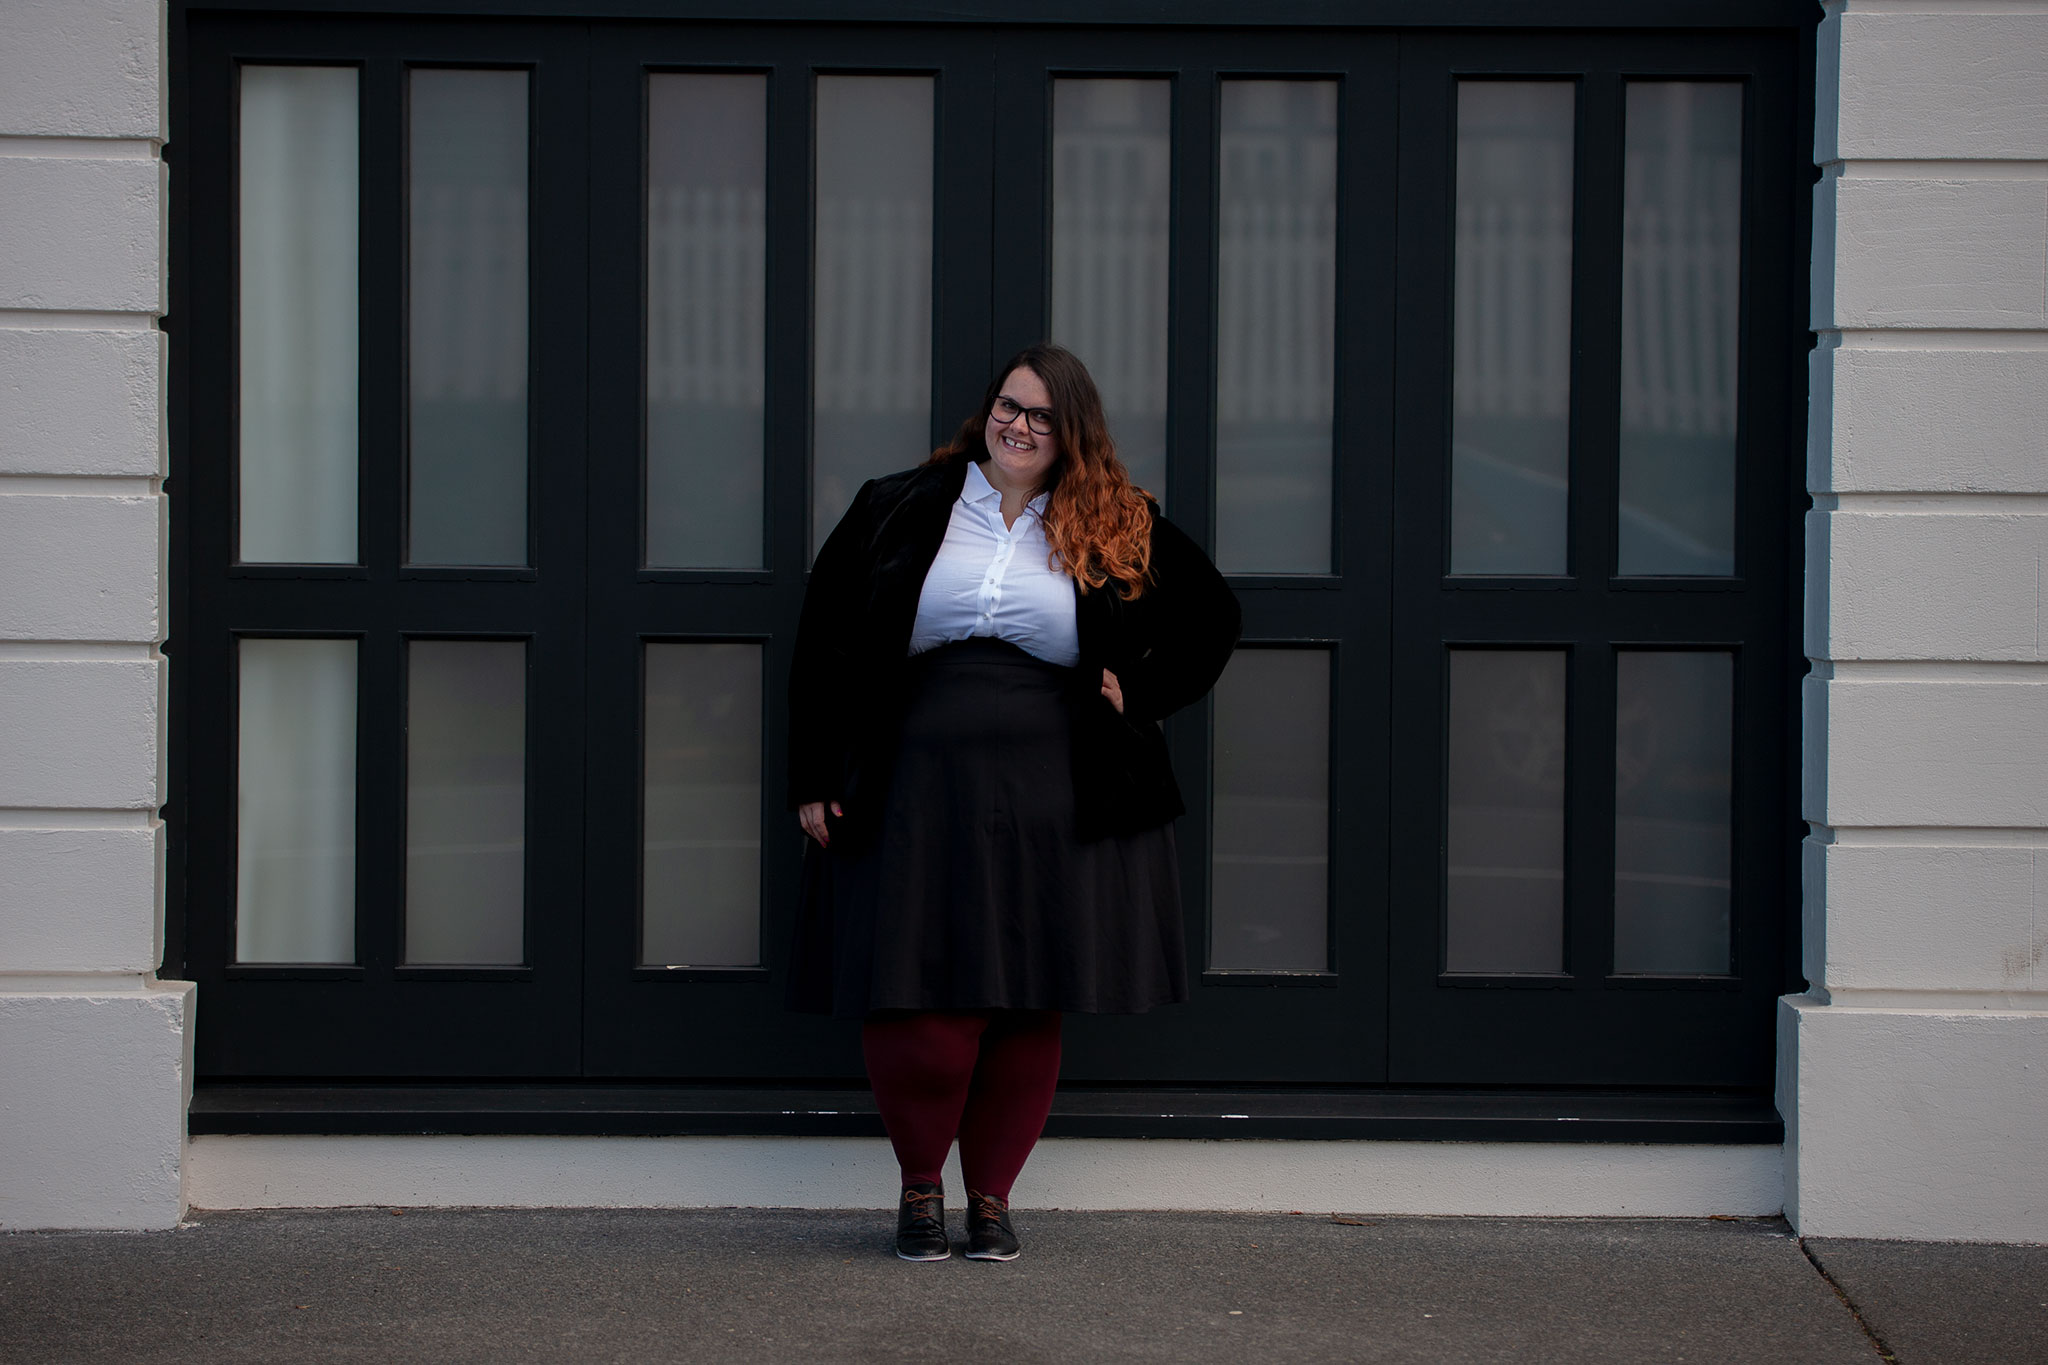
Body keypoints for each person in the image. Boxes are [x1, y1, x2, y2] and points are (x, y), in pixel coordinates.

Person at [785, 343, 1240, 1262]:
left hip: (1061, 788)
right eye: (1007, 406)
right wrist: (812, 775)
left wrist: (1139, 694)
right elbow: (824, 639)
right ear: (985, 410)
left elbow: (1214, 619)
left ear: (1071, 434)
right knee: (915, 998)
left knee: (1030, 998)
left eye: (1040, 416)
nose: (1019, 427)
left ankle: (990, 1198)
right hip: (913, 783)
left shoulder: (1116, 521)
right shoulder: (897, 505)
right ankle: (921, 1189)